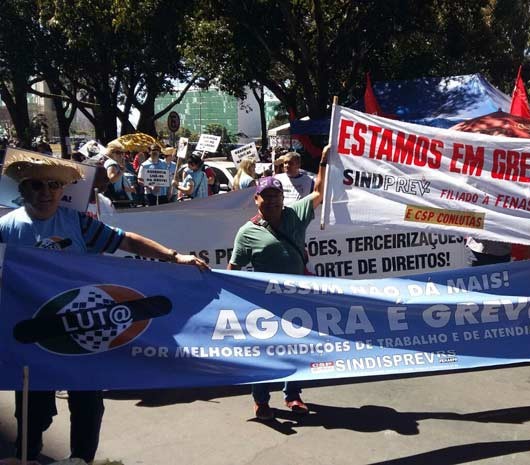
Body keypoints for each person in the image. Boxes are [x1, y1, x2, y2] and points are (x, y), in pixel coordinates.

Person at [0, 154, 208, 464]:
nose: (45, 192)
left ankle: (81, 459)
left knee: (87, 407)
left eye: (53, 185)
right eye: (36, 185)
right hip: (34, 338)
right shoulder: (6, 228)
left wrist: (174, 257)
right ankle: (27, 455)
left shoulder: (77, 223)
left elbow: (127, 242)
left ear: (61, 190)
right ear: (24, 190)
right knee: (32, 413)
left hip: (83, 330)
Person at [227, 145, 329, 421]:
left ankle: (293, 395)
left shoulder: (296, 214)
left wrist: (323, 160)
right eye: (266, 197)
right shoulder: (247, 233)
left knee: (297, 348)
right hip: (265, 303)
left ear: (283, 198)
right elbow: (232, 269)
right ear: (256, 200)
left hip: (297, 297)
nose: (272, 202)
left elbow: (319, 192)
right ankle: (261, 401)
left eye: (276, 197)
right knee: (264, 353)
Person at [104, 141, 134, 208]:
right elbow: (112, 179)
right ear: (111, 153)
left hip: (118, 199)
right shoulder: (111, 163)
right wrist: (121, 171)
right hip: (116, 200)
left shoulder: (115, 164)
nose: (121, 155)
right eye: (118, 152)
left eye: (122, 152)